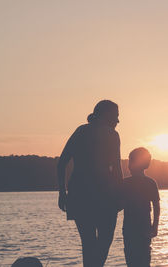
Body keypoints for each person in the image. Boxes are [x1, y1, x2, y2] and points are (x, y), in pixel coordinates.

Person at [57, 100, 123, 267]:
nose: (117, 121)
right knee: (103, 241)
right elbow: (117, 169)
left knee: (88, 242)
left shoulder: (81, 131)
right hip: (103, 195)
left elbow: (62, 162)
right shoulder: (111, 135)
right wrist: (120, 195)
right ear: (106, 115)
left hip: (79, 194)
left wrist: (62, 192)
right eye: (115, 116)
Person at [121, 147, 160, 267]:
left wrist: (154, 227)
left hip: (135, 229)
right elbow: (157, 207)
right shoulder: (150, 182)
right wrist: (154, 226)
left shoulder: (126, 183)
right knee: (142, 259)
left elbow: (156, 206)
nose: (128, 165)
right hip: (140, 228)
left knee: (133, 259)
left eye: (130, 161)